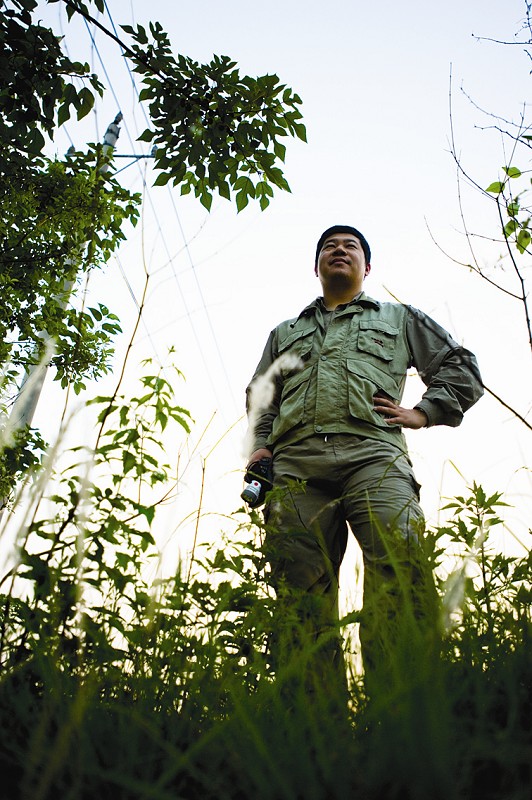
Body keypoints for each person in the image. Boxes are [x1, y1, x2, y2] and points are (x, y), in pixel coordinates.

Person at [244, 224, 483, 692]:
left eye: (349, 246)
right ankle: (314, 729)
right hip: (296, 468)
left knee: (400, 566)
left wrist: (424, 412)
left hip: (374, 457)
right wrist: (260, 446)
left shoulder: (397, 318)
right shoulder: (285, 332)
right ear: (316, 267)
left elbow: (461, 366)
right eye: (328, 247)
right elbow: (261, 396)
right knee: (299, 590)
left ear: (366, 267)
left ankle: (400, 716)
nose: (339, 250)